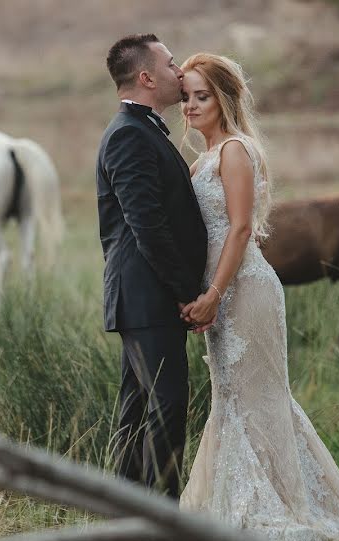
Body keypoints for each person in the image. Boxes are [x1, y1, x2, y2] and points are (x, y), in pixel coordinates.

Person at [176, 52, 339, 541]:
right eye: (186, 95)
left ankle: (285, 505)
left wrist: (213, 294)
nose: (190, 105)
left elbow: (238, 228)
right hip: (220, 293)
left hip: (245, 292)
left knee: (259, 397)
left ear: (224, 98)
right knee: (231, 398)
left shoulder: (235, 150)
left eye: (202, 95)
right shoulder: (202, 158)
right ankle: (237, 495)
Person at [96, 34, 208, 500]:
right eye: (169, 63)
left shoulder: (144, 130)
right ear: (146, 77)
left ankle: (126, 513)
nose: (178, 70)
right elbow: (147, 227)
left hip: (147, 294)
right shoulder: (128, 135)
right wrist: (188, 291)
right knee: (166, 406)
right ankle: (159, 519)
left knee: (139, 405)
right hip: (147, 295)